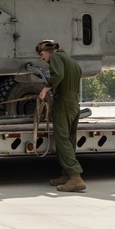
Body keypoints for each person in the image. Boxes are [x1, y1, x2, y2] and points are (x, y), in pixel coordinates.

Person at [36, 40, 86, 192]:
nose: (41, 58)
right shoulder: (71, 61)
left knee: (62, 138)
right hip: (74, 104)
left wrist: (45, 89)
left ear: (49, 51)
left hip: (63, 103)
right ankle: (67, 174)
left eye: (41, 54)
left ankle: (75, 177)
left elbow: (58, 75)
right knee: (70, 138)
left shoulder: (56, 58)